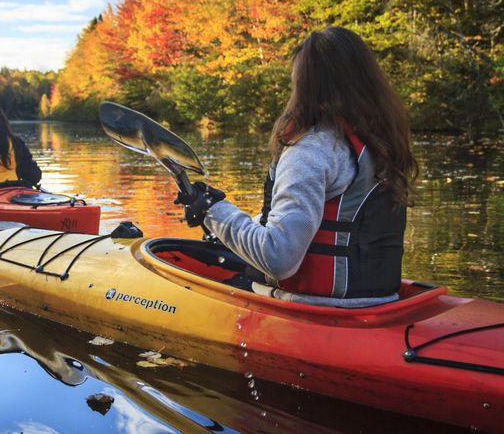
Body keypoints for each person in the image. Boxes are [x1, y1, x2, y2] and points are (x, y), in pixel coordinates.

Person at [177, 27, 419, 307]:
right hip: (381, 302)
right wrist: (227, 226)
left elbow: (278, 259)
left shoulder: (311, 150)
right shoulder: (380, 144)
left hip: (316, 308)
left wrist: (211, 210)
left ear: (305, 85)